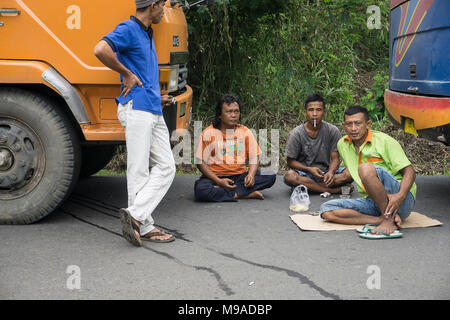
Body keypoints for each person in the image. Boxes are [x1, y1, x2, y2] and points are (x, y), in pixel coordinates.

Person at [94, 0, 175, 246]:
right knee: (138, 170)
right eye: (163, 5)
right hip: (137, 108)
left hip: (151, 106)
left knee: (167, 166)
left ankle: (136, 217)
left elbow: (141, 72)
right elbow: (100, 49)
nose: (164, 10)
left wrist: (156, 94)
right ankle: (144, 224)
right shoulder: (129, 29)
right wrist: (126, 73)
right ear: (153, 5)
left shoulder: (146, 32)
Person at [320, 105, 417, 237]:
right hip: (374, 200)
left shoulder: (384, 141)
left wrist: (399, 196)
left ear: (367, 124)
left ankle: (388, 219)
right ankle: (380, 219)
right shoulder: (342, 144)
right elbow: (350, 170)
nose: (353, 128)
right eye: (349, 124)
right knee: (327, 210)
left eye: (358, 123)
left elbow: (410, 171)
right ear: (343, 126)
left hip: (399, 199)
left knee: (365, 168)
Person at [194, 94, 276, 202]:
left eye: (236, 111)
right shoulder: (208, 133)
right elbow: (200, 162)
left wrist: (251, 175)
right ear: (220, 115)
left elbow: (254, 157)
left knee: (270, 175)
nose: (233, 115)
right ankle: (242, 194)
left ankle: (225, 192)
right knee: (201, 190)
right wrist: (218, 181)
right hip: (215, 178)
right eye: (229, 112)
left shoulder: (245, 131)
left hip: (240, 176)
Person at [284, 94, 353, 193]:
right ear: (305, 112)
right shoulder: (296, 133)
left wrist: (331, 172)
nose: (315, 114)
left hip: (326, 173)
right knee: (290, 177)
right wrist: (309, 169)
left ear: (324, 112)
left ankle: (311, 187)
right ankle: (331, 190)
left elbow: (335, 158)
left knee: (350, 173)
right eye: (311, 110)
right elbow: (290, 161)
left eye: (319, 110)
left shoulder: (332, 130)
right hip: (305, 174)